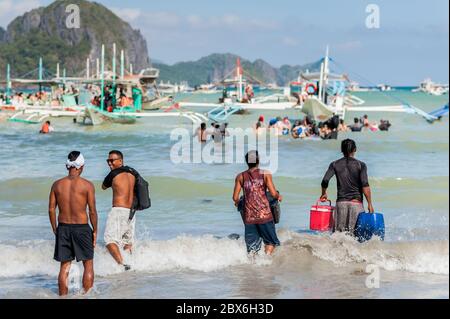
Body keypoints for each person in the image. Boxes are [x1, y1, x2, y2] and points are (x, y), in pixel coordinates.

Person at [49, 151, 98, 296]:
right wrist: (95, 230)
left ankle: (63, 297)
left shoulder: (57, 184)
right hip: (82, 228)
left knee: (64, 266)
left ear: (67, 166)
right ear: (81, 166)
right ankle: (87, 295)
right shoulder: (87, 185)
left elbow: (51, 209)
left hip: (63, 228)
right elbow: (92, 211)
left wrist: (55, 229)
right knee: (88, 264)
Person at [233, 151, 282, 256]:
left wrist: (238, 203)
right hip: (265, 215)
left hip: (249, 218)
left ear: (247, 162)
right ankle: (265, 259)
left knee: (252, 248)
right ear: (258, 161)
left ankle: (254, 267)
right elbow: (273, 193)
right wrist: (279, 196)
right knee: (271, 242)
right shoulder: (266, 174)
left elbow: (235, 197)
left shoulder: (240, 177)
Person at [320, 139, 375, 234]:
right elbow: (365, 185)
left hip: (341, 204)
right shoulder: (361, 165)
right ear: (355, 149)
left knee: (338, 237)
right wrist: (370, 204)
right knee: (355, 237)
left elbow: (325, 180)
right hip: (356, 205)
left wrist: (323, 193)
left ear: (342, 150)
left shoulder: (334, 164)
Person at [102, 150, 136, 271]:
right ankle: (131, 265)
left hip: (118, 211)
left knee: (109, 240)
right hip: (131, 212)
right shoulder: (133, 173)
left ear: (120, 161)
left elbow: (103, 187)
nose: (109, 163)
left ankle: (122, 265)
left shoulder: (113, 173)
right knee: (127, 242)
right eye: (108, 160)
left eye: (112, 160)